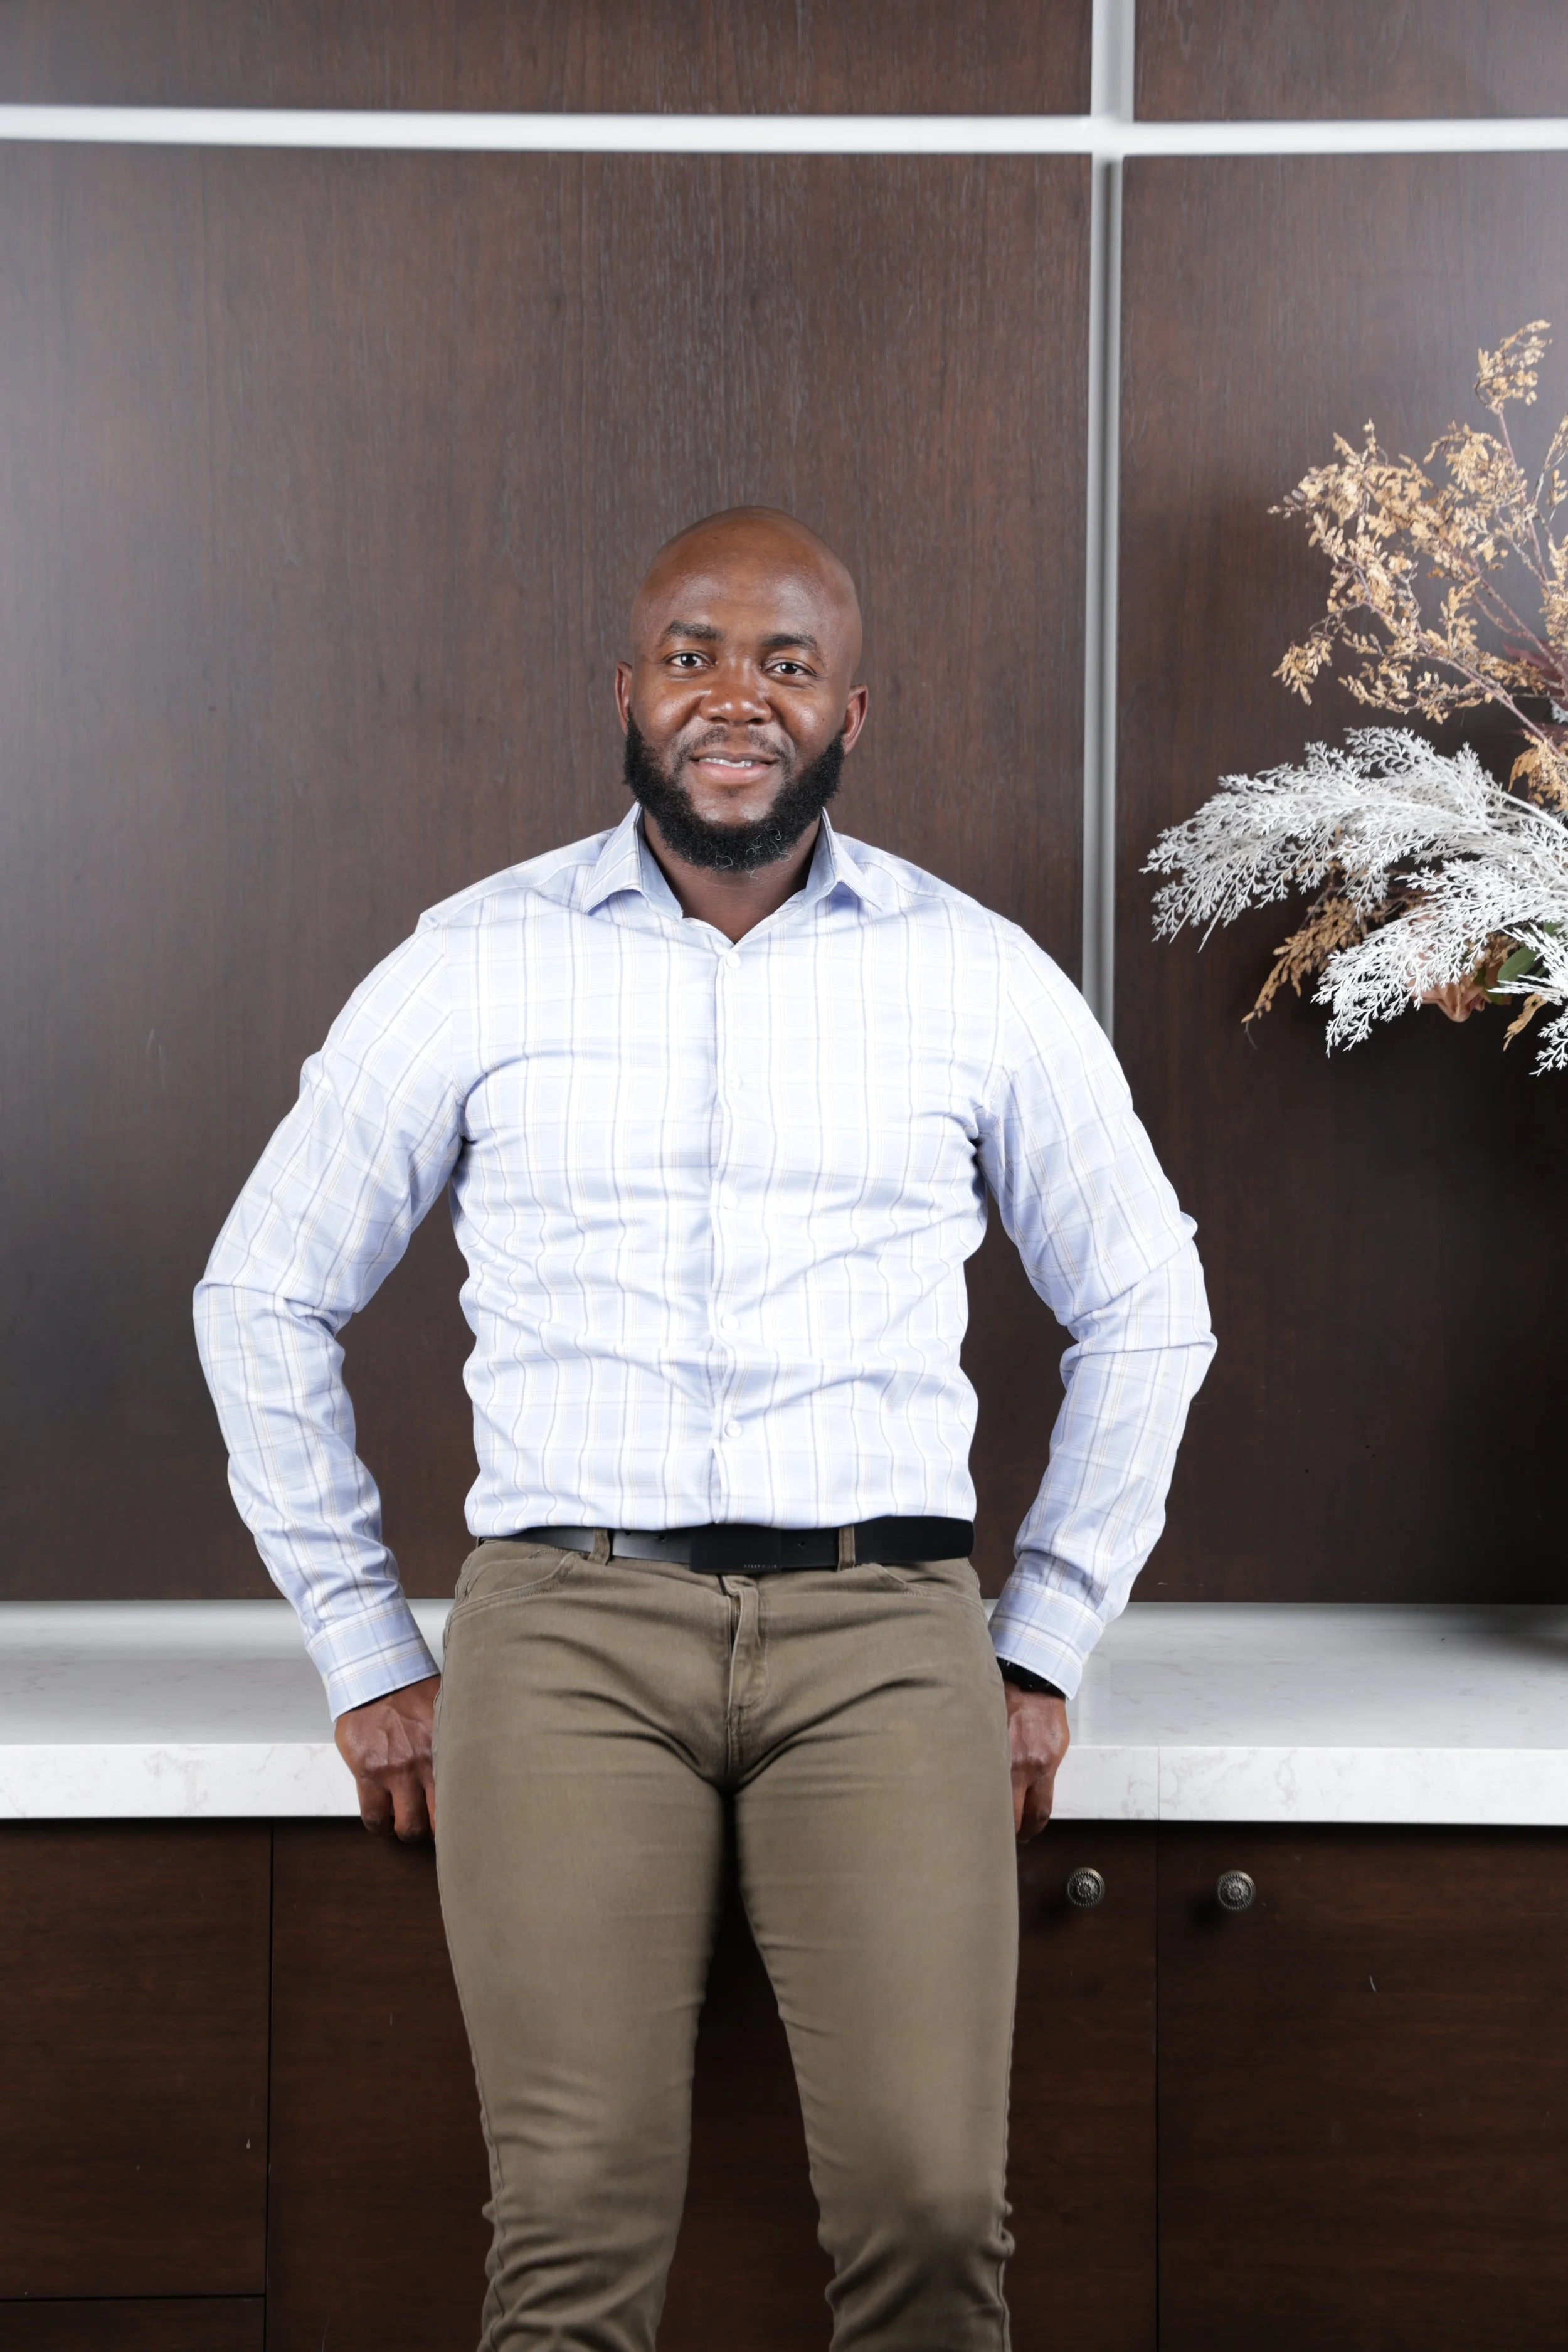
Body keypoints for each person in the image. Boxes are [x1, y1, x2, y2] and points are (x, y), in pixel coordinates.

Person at [196, 506, 1214, 2352]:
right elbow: (259, 1292)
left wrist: (1046, 1629)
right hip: (565, 1636)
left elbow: (1149, 1301)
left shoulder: (972, 974)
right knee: (570, 2237)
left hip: (883, 1635)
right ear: (629, 687)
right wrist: (363, 1645)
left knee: (927, 2215)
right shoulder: (471, 960)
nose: (733, 695)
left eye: (785, 661)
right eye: (691, 652)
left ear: (850, 711)